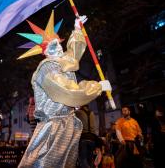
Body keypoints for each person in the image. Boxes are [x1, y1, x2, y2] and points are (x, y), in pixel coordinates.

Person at [16, 11, 112, 168]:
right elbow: (68, 91)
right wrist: (97, 86)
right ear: (46, 51)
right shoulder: (47, 68)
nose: (59, 48)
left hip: (66, 124)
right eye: (53, 46)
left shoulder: (59, 63)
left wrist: (77, 30)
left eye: (59, 43)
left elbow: (72, 56)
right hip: (53, 128)